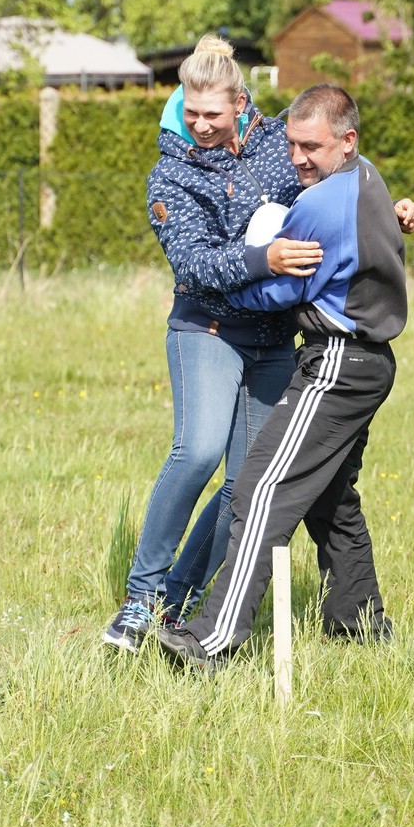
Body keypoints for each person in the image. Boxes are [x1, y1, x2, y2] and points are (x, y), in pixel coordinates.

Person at [158, 83, 407, 669]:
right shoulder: (367, 176)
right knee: (330, 499)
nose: (298, 158)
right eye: (292, 144)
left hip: (337, 362)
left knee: (260, 490)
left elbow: (278, 292)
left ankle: (212, 640)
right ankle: (360, 627)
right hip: (371, 363)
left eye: (311, 147)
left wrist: (239, 276)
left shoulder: (319, 205)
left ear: (347, 141)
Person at [99, 36, 316, 652]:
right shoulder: (171, 173)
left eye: (212, 114)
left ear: (240, 103)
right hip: (208, 330)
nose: (199, 124)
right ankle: (139, 600)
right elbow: (194, 265)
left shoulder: (279, 144)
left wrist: (389, 204)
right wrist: (266, 259)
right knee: (196, 452)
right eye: (190, 112)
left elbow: (333, 173)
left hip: (274, 340)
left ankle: (179, 601)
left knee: (248, 484)